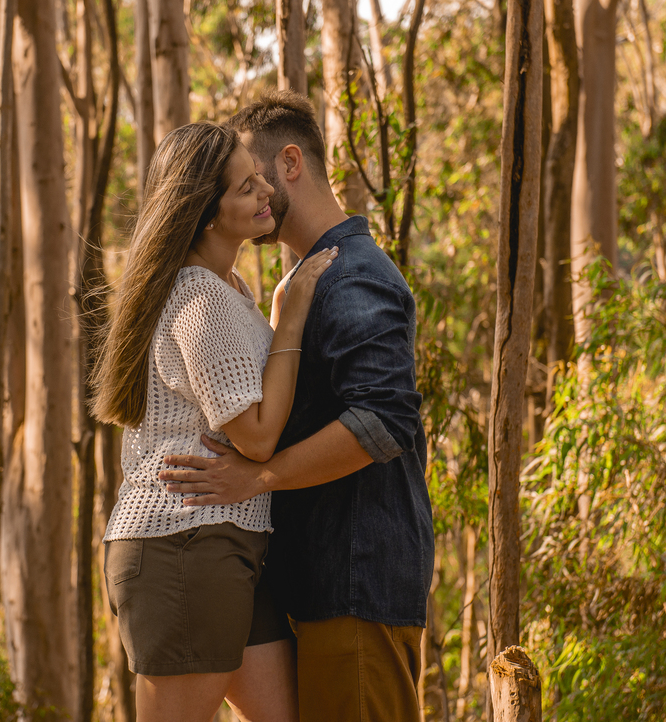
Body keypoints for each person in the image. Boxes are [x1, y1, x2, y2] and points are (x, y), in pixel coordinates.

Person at [159, 91, 435, 722]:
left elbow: (383, 421)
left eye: (255, 176)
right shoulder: (311, 280)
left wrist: (259, 476)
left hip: (355, 585)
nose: (252, 192)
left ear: (290, 163)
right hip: (324, 583)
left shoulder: (353, 276)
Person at [92, 121, 336, 722]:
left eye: (260, 180)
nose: (265, 195)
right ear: (205, 213)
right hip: (181, 543)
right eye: (245, 188)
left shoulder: (229, 290)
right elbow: (254, 436)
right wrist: (293, 320)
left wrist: (277, 314)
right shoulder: (200, 299)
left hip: (227, 545)